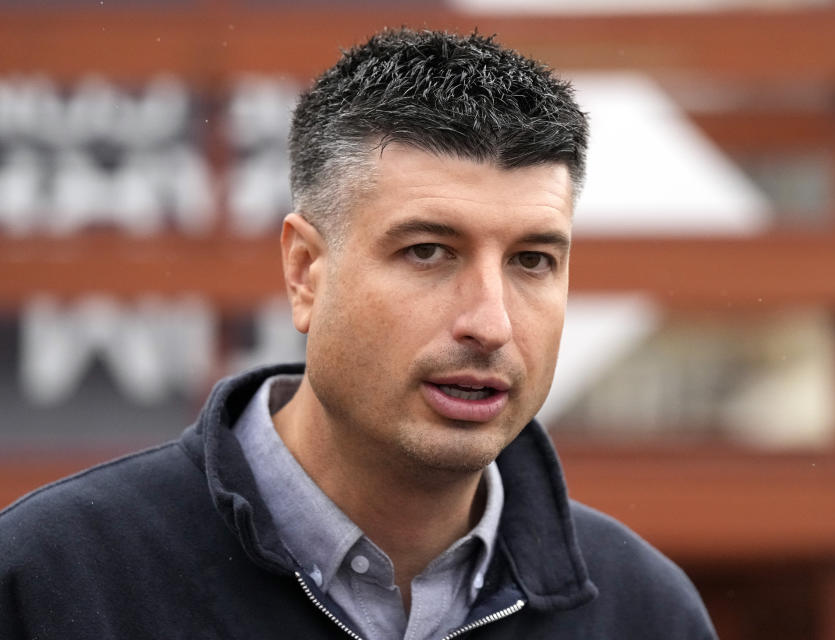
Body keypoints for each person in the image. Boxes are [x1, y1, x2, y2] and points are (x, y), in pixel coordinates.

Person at [0, 29, 716, 639]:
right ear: (306, 272)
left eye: (532, 260)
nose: (490, 323)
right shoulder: (56, 585)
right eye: (428, 252)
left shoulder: (646, 613)